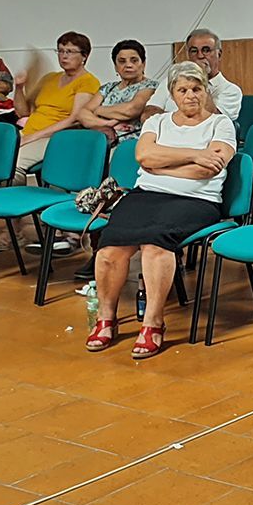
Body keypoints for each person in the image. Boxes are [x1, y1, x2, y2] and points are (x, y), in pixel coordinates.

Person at [83, 62, 236, 359]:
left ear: (206, 91)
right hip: (146, 195)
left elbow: (206, 171)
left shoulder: (221, 124)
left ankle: (153, 323)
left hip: (197, 200)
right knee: (110, 248)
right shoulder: (157, 122)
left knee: (155, 245)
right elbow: (144, 156)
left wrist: (161, 165)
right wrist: (195, 154)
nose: (190, 96)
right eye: (183, 90)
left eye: (196, 89)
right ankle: (106, 318)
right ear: (172, 94)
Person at [1, 32, 101, 253]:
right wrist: (19, 88)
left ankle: (14, 226)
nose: (64, 56)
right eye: (61, 51)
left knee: (11, 167)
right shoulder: (49, 79)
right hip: (30, 136)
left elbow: (74, 118)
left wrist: (34, 136)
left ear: (84, 56)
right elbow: (23, 111)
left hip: (58, 138)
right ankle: (16, 226)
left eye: (70, 51)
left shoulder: (88, 81)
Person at [142, 29, 243, 122]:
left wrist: (201, 77)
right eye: (194, 51)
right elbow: (147, 115)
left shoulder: (231, 91)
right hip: (165, 134)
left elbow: (211, 121)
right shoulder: (171, 80)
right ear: (188, 55)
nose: (200, 56)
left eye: (206, 50)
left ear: (219, 54)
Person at [77, 40, 158, 145]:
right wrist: (108, 124)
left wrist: (97, 110)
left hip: (129, 144)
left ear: (143, 64)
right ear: (115, 66)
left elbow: (131, 110)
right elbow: (82, 114)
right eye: (122, 61)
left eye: (134, 60)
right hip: (100, 140)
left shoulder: (151, 86)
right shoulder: (108, 88)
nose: (128, 65)